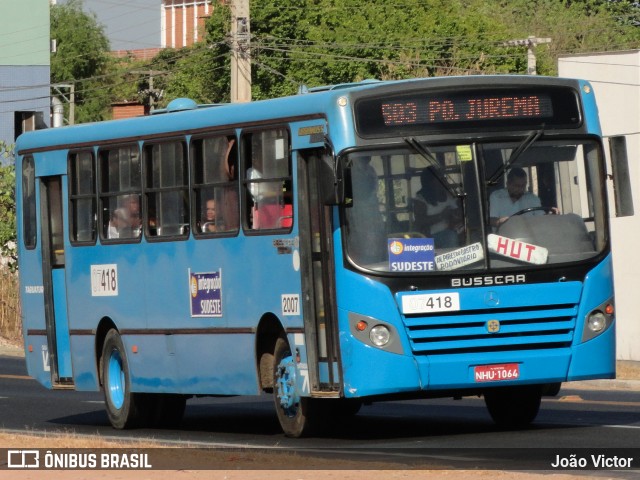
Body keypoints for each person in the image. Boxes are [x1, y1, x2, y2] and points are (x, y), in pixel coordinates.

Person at [413, 167, 461, 248]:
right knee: (451, 237)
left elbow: (458, 211)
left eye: (443, 178)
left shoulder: (448, 195)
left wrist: (456, 214)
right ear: (430, 181)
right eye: (439, 178)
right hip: (427, 236)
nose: (443, 181)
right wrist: (442, 215)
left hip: (447, 231)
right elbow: (420, 221)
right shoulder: (421, 199)